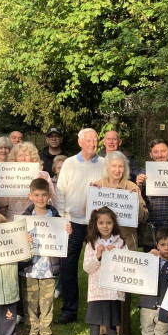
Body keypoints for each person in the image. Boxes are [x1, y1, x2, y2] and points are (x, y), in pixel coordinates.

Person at [90, 150, 148, 335]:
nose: (117, 169)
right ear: (107, 167)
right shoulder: (98, 186)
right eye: (114, 166)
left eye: (121, 166)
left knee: (122, 285)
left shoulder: (131, 187)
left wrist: (136, 203)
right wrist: (91, 196)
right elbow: (88, 214)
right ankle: (103, 327)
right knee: (102, 282)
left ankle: (123, 328)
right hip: (103, 243)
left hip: (126, 241)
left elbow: (143, 216)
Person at [54, 128, 104, 324]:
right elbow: (60, 192)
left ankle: (100, 312)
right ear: (80, 142)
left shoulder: (103, 164)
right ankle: (69, 310)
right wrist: (63, 218)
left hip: (96, 224)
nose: (93, 144)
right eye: (89, 140)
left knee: (100, 265)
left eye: (95, 140)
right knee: (68, 267)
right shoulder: (69, 163)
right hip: (73, 222)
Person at [20, 177, 70, 335]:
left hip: (49, 269)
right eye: (37, 195)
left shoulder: (56, 218)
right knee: (31, 304)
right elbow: (18, 244)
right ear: (30, 196)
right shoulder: (24, 219)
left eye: (43, 195)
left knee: (47, 304)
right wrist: (23, 239)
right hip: (29, 270)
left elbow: (62, 243)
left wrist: (67, 234)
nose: (40, 199)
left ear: (49, 196)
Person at [82, 207, 126, 335]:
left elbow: (126, 267)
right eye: (101, 222)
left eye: (108, 222)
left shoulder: (120, 243)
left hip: (113, 291)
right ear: (95, 223)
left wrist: (116, 256)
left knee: (112, 323)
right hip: (97, 291)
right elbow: (87, 268)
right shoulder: (91, 245)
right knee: (95, 322)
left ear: (114, 223)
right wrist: (98, 256)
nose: (105, 226)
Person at [0, 141, 56, 221]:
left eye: (27, 155)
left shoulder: (43, 175)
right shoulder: (8, 176)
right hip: (14, 219)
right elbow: (2, 203)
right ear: (15, 158)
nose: (23, 158)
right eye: (20, 155)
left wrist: (44, 186)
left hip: (37, 218)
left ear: (33, 157)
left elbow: (52, 200)